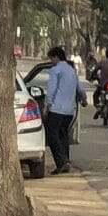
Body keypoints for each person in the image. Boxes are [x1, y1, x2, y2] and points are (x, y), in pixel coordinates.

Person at [36, 45, 82, 173]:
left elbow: (51, 90)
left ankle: (61, 162)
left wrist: (46, 106)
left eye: (52, 59)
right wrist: (83, 99)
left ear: (56, 57)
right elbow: (79, 89)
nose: (51, 62)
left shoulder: (56, 70)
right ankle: (65, 161)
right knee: (63, 135)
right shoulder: (72, 71)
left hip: (56, 109)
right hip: (69, 111)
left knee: (52, 135)